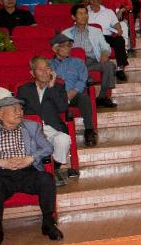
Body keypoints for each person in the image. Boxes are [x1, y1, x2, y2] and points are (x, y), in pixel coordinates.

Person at [0, 96, 62, 245]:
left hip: (28, 170)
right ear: (1, 114)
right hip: (2, 173)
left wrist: (31, 158)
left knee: (46, 179)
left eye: (20, 109)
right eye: (14, 109)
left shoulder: (32, 126)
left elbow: (48, 147)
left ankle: (48, 223)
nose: (19, 112)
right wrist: (0, 162)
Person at [18, 55, 88, 186]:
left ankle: (54, 169)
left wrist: (51, 87)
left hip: (52, 128)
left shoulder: (58, 87)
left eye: (47, 68)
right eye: (40, 69)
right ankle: (44, 173)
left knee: (64, 139)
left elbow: (63, 107)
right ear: (32, 73)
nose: (45, 72)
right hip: (32, 130)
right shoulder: (24, 89)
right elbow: (19, 112)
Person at [62, 3, 118, 107]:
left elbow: (105, 46)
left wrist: (105, 53)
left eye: (85, 13)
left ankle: (102, 97)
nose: (84, 16)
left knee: (109, 65)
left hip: (93, 61)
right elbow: (60, 52)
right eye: (80, 13)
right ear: (73, 17)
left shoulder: (96, 31)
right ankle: (83, 96)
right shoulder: (66, 33)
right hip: (76, 63)